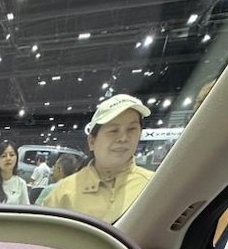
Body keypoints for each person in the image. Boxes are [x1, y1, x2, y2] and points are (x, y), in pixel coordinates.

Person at [42, 94, 154, 222]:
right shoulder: (63, 192)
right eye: (113, 130)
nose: (123, 138)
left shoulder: (155, 187)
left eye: (132, 129)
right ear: (92, 141)